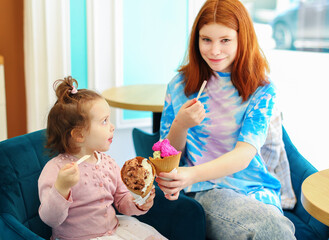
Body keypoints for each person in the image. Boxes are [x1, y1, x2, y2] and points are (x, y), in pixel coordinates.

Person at [155, 0, 296, 239]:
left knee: (275, 228)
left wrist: (190, 174)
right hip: (207, 188)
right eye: (206, 39)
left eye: (225, 40)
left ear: (243, 39)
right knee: (272, 230)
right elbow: (166, 157)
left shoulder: (262, 89)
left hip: (257, 188)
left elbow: (244, 154)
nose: (214, 50)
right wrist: (181, 124)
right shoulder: (180, 86)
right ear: (196, 39)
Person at [38, 76, 166, 240]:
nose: (112, 126)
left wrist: (138, 202)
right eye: (104, 121)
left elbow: (122, 201)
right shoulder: (56, 169)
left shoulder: (108, 163)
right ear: (79, 134)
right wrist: (62, 188)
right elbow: (50, 219)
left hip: (114, 230)